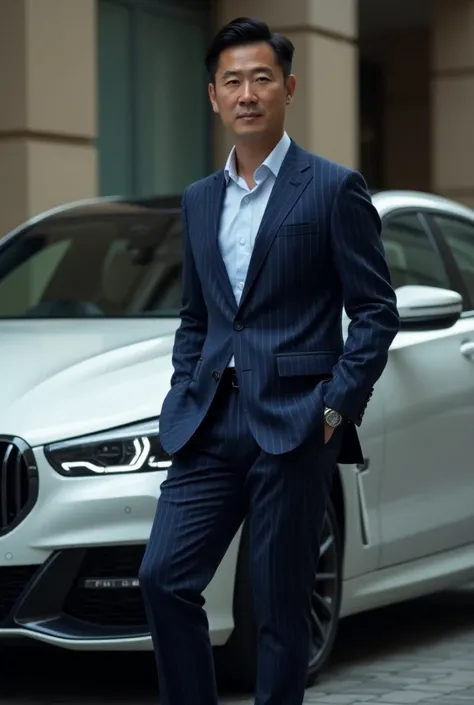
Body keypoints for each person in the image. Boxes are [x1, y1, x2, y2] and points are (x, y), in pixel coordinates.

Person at [139, 16, 400, 705]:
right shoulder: (199, 200)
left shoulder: (332, 188)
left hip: (294, 423)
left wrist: (336, 405)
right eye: (233, 81)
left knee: (281, 612)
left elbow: (376, 311)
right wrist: (183, 386)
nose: (247, 93)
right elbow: (198, 316)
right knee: (163, 577)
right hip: (208, 423)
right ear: (213, 97)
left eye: (261, 79)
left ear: (287, 89)